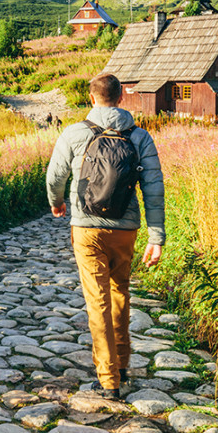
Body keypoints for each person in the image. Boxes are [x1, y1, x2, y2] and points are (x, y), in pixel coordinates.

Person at [46, 73, 164, 400]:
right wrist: (156, 236)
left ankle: (109, 378)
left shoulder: (74, 133)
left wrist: (57, 203)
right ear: (122, 98)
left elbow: (55, 175)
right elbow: (154, 189)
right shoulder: (140, 137)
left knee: (97, 300)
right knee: (120, 294)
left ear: (91, 97)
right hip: (125, 229)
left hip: (86, 227)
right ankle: (123, 363)